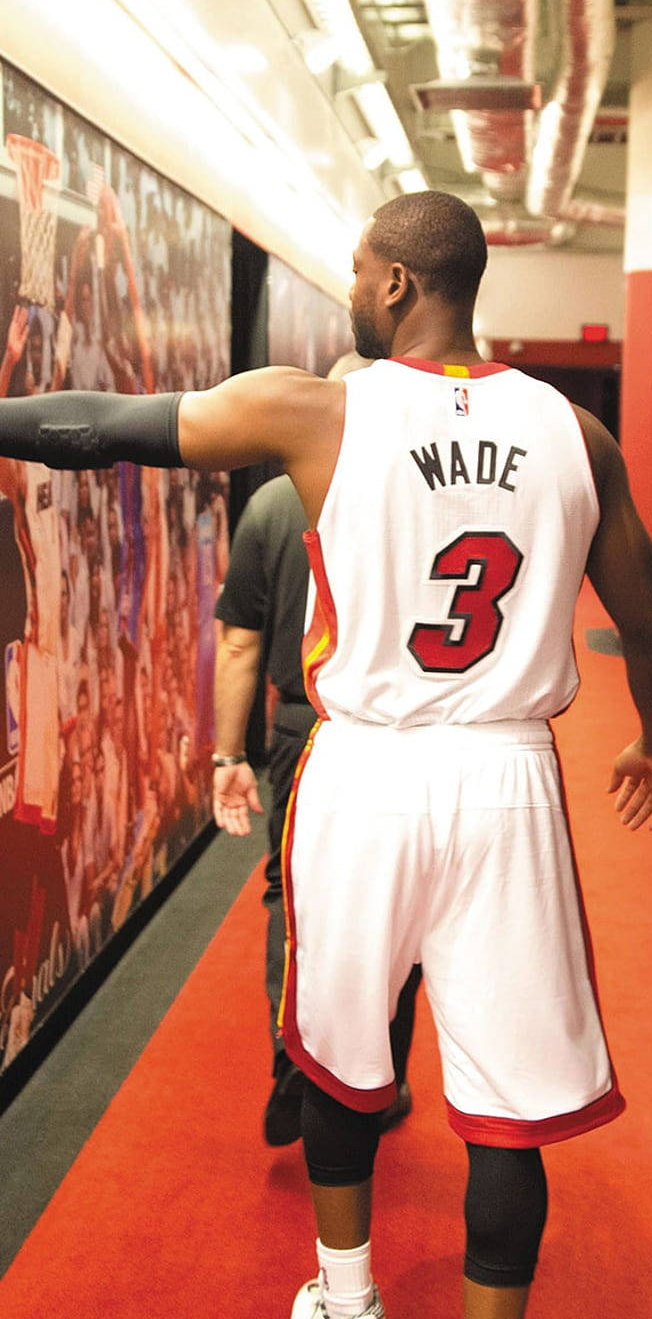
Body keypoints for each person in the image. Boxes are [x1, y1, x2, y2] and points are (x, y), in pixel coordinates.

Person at [0, 189, 652, 1319]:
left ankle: (352, 1317)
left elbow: (106, 426)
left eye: (357, 272)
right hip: (505, 781)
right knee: (506, 1099)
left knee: (338, 1050)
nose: (350, 291)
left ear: (397, 287)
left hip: (365, 770)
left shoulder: (321, 410)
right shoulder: (577, 434)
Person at [213, 448, 421, 1145]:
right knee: (399, 901)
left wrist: (229, 753)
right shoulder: (417, 492)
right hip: (404, 729)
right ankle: (380, 1076)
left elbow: (239, 645)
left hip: (305, 727)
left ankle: (293, 1053)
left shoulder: (272, 502)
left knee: (294, 893)